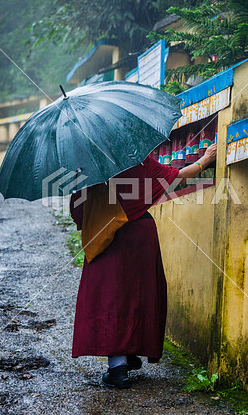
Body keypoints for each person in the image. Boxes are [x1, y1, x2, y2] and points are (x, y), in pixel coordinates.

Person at [69, 142, 217, 389]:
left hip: (105, 234)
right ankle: (123, 359)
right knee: (137, 294)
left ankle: (119, 365)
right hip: (139, 232)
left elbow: (78, 206)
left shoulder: (88, 163)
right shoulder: (133, 155)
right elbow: (176, 177)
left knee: (110, 296)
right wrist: (206, 160)